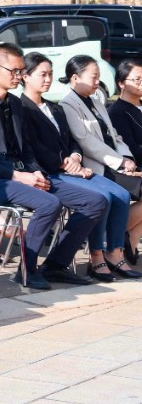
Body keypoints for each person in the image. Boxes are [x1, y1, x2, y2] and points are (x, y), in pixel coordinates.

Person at [0, 43, 106, 290]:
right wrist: (17, 175)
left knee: (95, 201)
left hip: (18, 174)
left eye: (21, 71)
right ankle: (27, 269)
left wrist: (35, 172)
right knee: (49, 204)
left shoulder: (14, 104)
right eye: (13, 71)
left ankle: (56, 265)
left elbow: (25, 149)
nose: (18, 76)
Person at [22, 53, 141, 281]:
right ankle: (96, 256)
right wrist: (66, 162)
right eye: (43, 74)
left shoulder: (54, 107)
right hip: (55, 171)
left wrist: (75, 156)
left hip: (76, 167)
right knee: (102, 197)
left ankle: (115, 252)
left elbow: (74, 141)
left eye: (50, 74)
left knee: (122, 195)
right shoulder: (28, 108)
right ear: (25, 77)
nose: (48, 79)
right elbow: (33, 146)